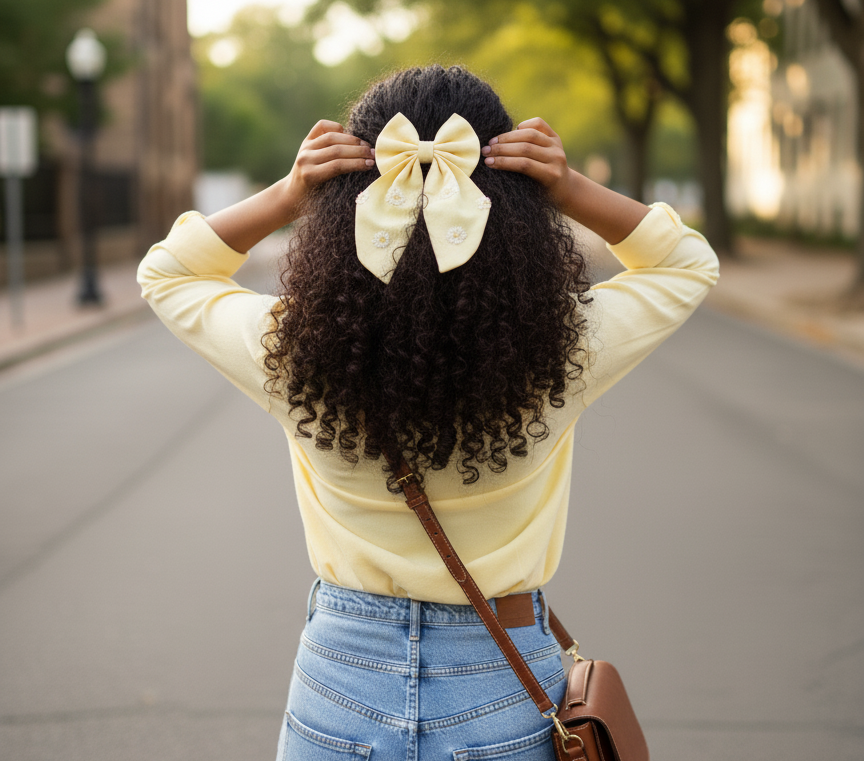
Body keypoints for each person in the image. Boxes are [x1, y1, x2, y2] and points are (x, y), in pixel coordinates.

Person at [138, 65, 719, 760]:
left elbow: (167, 273)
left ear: (346, 198)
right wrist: (570, 187)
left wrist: (287, 194)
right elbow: (686, 263)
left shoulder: (292, 351)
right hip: (501, 682)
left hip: (340, 682)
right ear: (514, 196)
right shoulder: (564, 348)